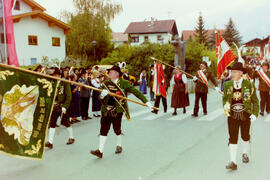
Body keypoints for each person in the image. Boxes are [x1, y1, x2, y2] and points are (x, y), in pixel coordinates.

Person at [90, 65, 153, 158]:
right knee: (103, 130)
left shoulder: (124, 83)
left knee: (117, 129)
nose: (109, 73)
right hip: (105, 110)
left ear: (116, 74)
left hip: (117, 110)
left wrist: (146, 102)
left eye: (110, 72)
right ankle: (100, 151)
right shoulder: (106, 83)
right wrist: (102, 95)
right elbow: (100, 98)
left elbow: (136, 92)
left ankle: (119, 145)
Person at [223, 62, 259, 170]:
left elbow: (255, 101)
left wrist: (254, 113)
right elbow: (224, 98)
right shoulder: (228, 84)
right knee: (232, 137)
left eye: (234, 72)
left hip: (245, 114)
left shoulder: (248, 84)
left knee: (245, 135)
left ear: (240, 73)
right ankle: (233, 161)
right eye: (231, 72)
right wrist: (226, 106)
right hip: (232, 115)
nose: (232, 74)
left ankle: (245, 153)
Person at [45, 68, 75, 149]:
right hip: (55, 106)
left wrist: (65, 106)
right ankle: (50, 142)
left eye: (55, 75)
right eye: (53, 75)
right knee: (52, 123)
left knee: (66, 122)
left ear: (59, 75)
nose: (54, 76)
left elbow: (69, 96)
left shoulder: (64, 83)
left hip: (63, 106)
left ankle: (71, 137)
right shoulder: (52, 83)